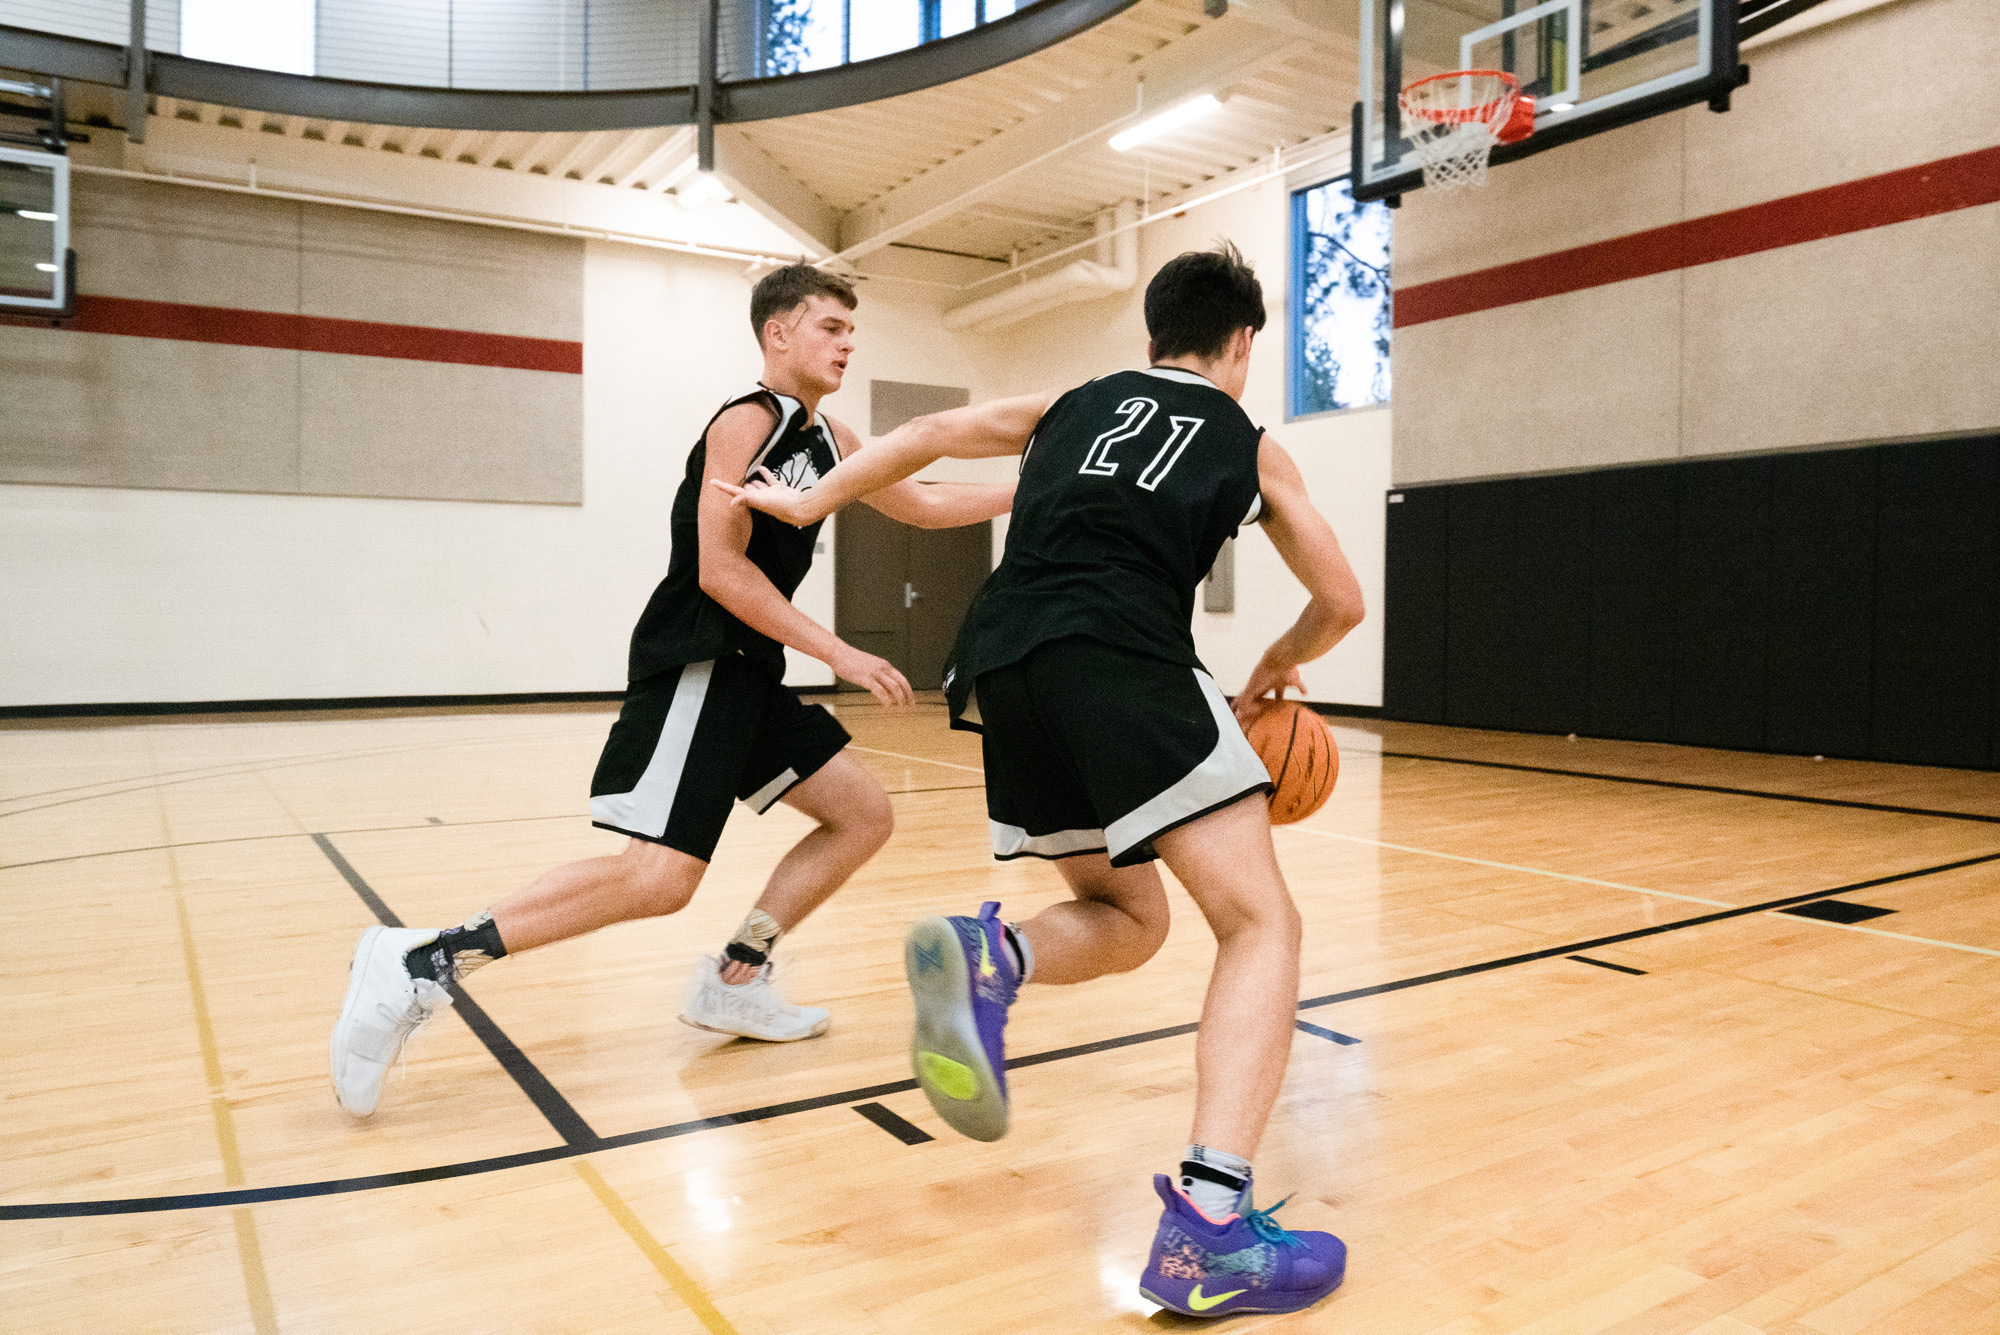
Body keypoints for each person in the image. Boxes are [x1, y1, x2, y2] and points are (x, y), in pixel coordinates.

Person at [718, 244, 1366, 1318]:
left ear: (1151, 336)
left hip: (1002, 662)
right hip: (1123, 654)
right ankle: (1209, 1227)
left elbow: (923, 438)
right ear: (1241, 345)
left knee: (1127, 913)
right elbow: (1339, 600)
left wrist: (806, 505)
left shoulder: (1077, 400)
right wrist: (1273, 664)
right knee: (1260, 926)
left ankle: (995, 953)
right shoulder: (1248, 443)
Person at [330, 265, 1014, 1118]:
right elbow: (720, 571)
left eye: (851, 330)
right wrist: (839, 649)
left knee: (862, 814)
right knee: (657, 877)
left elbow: (920, 500)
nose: (847, 342)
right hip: (702, 659)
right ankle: (422, 959)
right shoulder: (745, 422)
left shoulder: (828, 436)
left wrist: (1042, 487)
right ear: (779, 333)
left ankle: (740, 973)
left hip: (751, 671)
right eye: (831, 327)